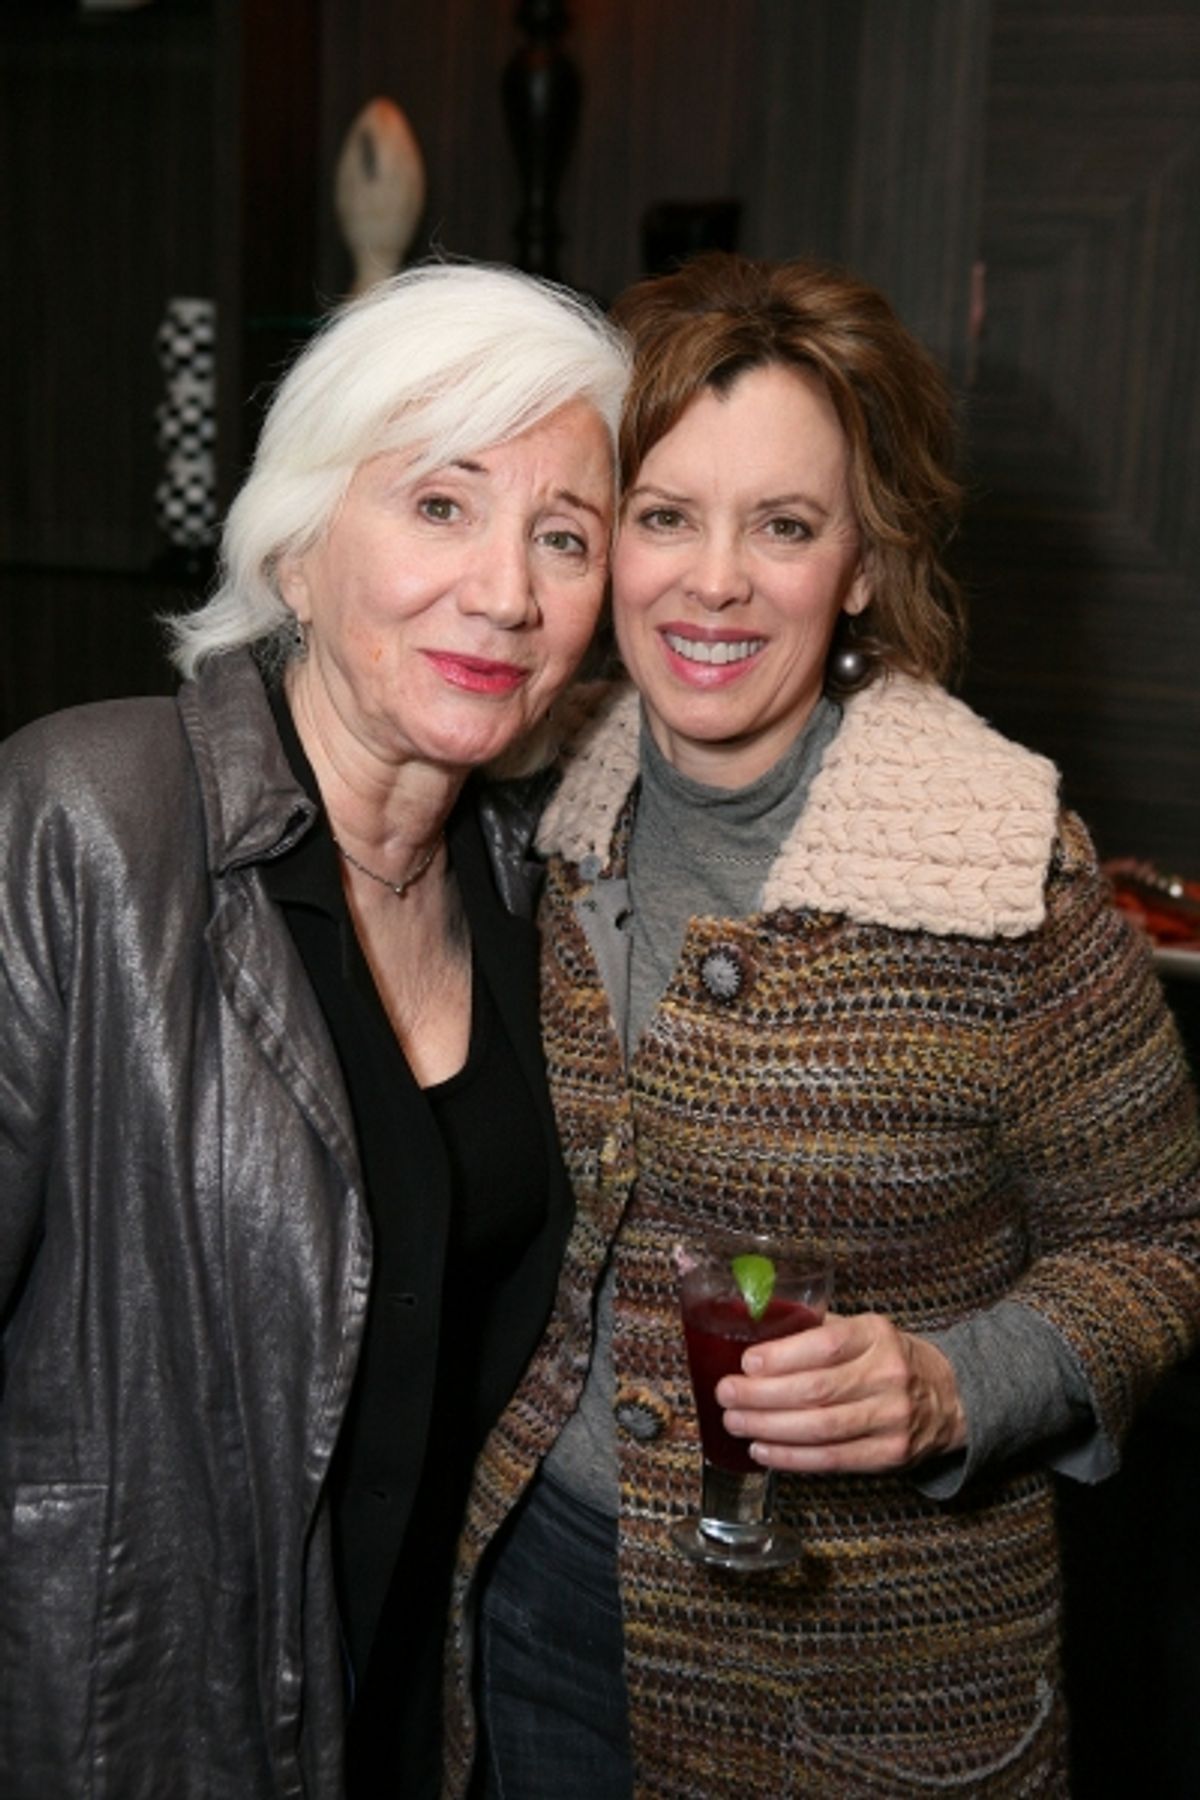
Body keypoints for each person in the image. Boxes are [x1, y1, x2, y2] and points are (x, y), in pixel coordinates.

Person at [438, 253, 1200, 1797]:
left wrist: (953, 1384)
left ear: (860, 562)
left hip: (868, 1685)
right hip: (535, 1608)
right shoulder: (537, 802)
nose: (714, 581)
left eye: (784, 526)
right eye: (666, 516)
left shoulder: (1001, 873)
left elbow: (1158, 1244)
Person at [0, 260, 629, 1797]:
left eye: (565, 537)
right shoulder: (88, 819)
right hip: (135, 1723)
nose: (506, 592)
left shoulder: (533, 885)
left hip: (427, 1717)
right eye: (440, 505)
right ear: (294, 547)